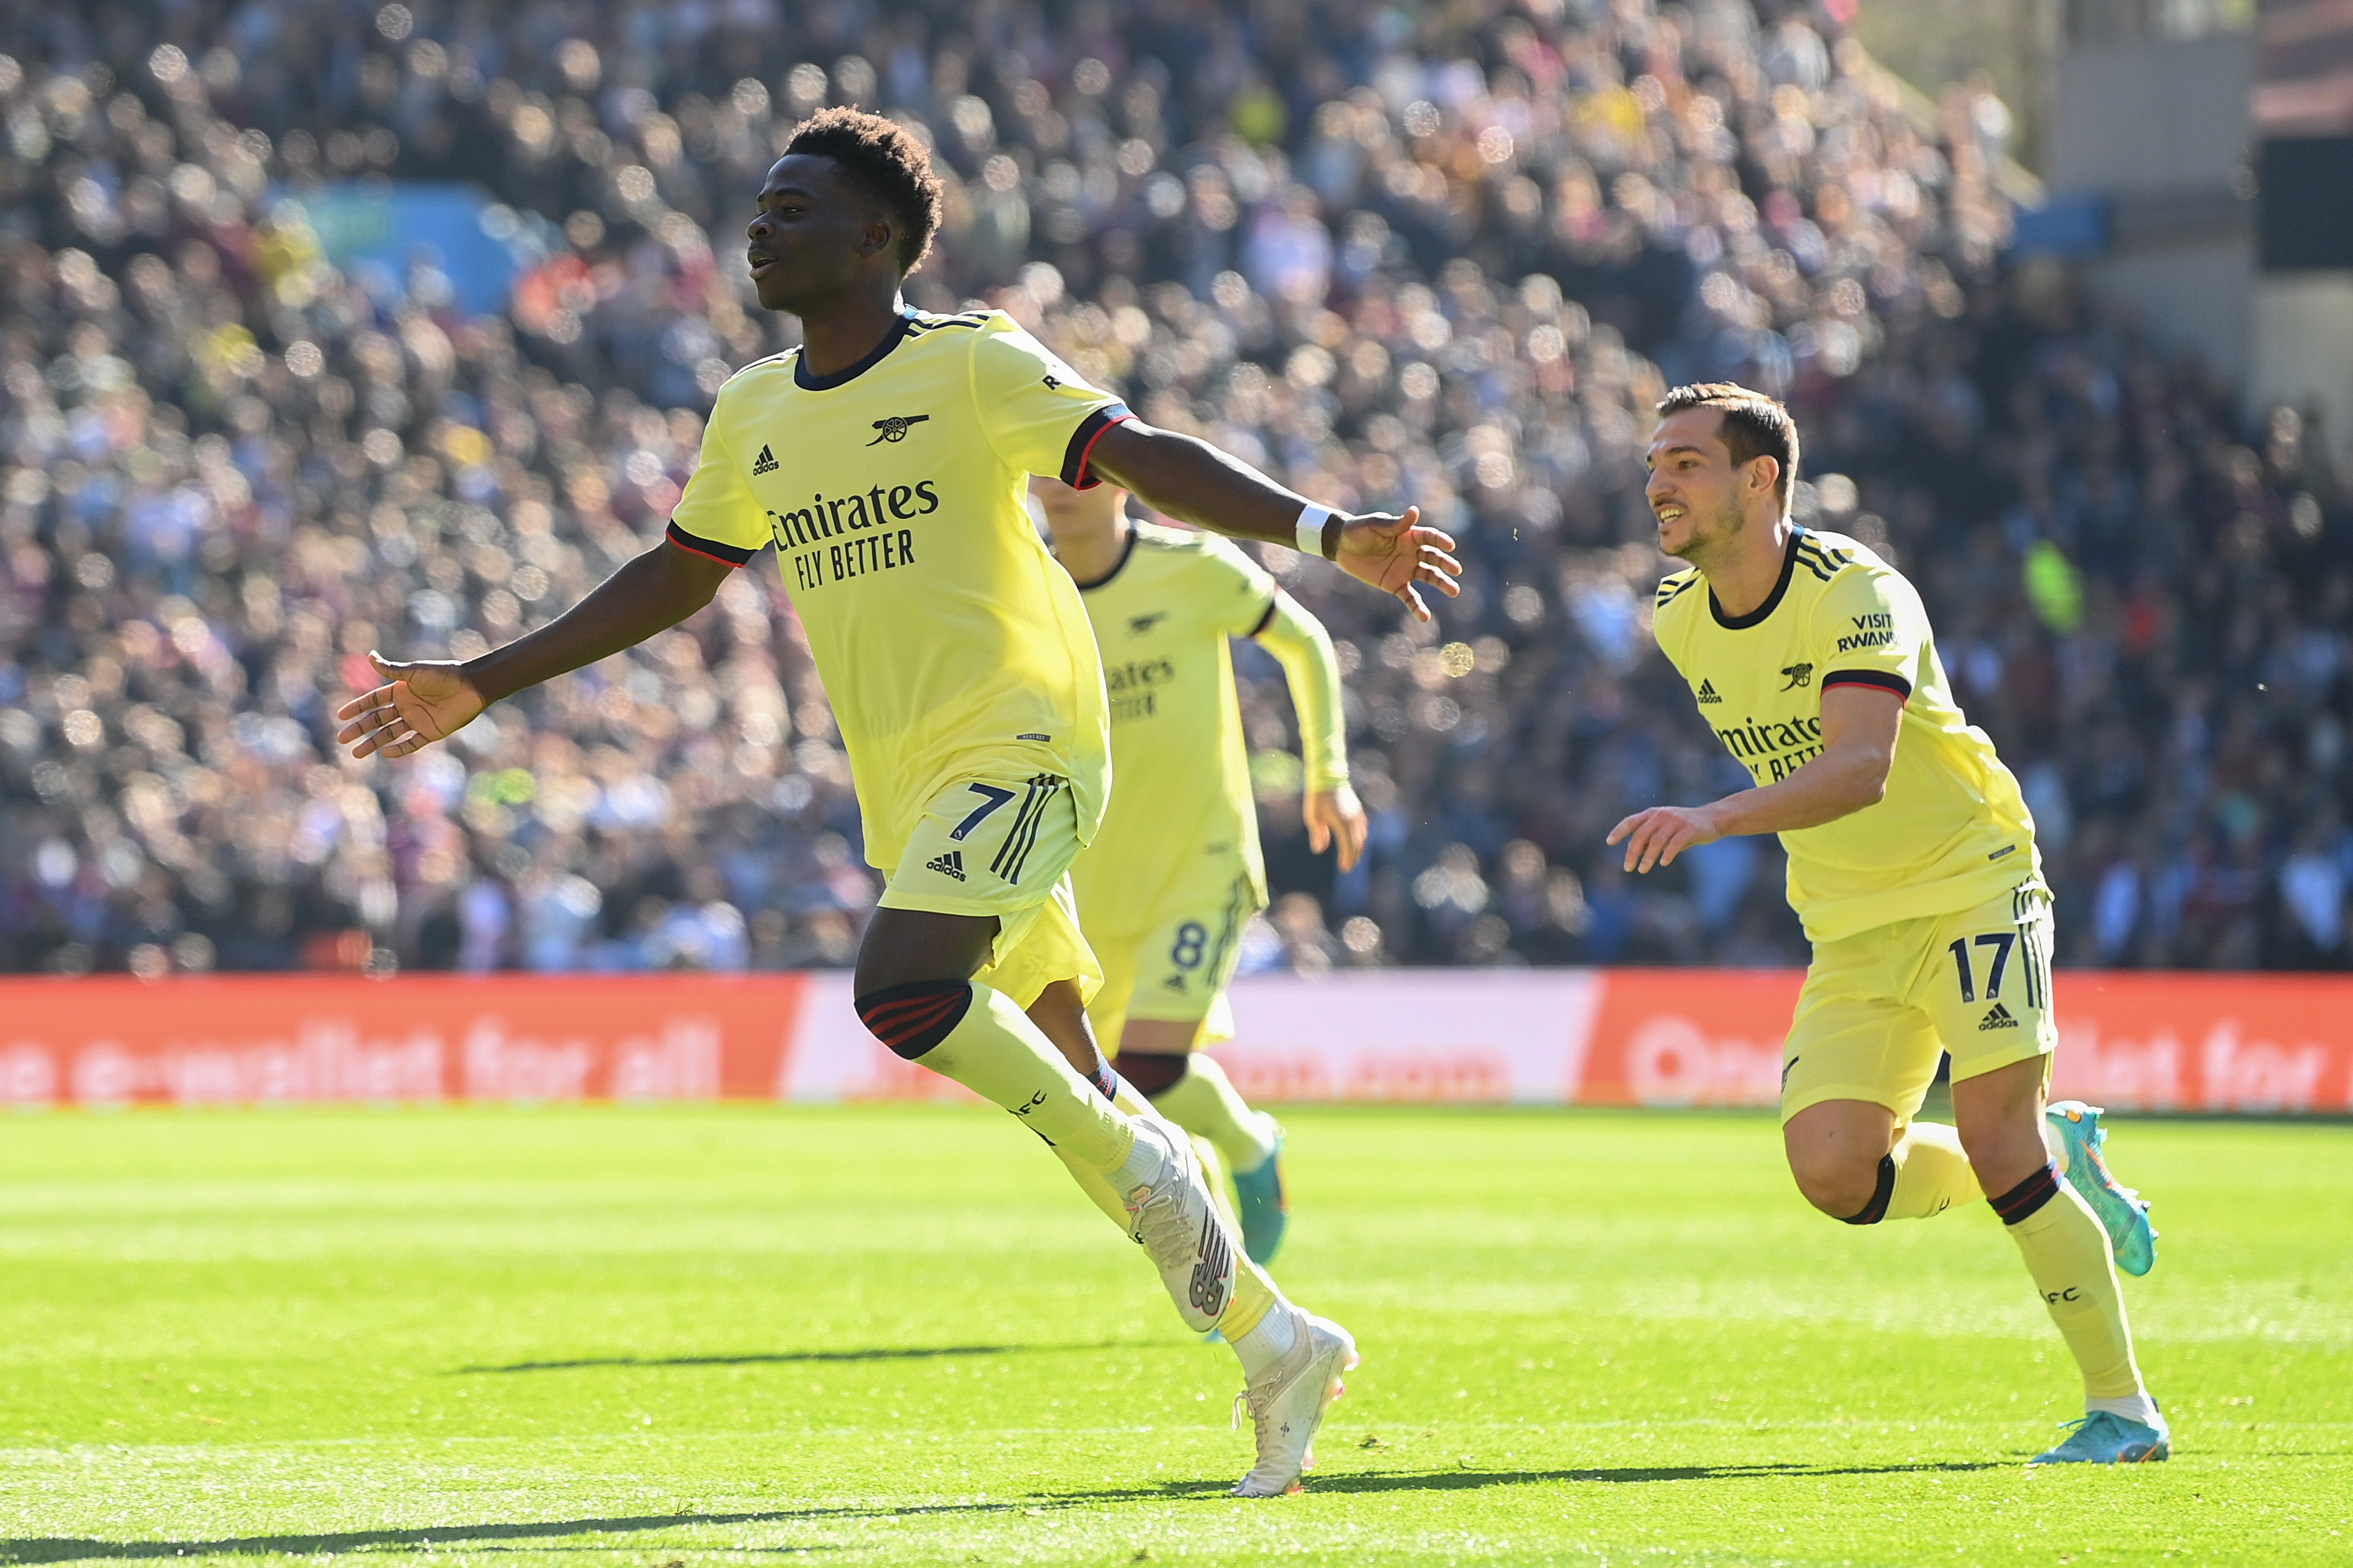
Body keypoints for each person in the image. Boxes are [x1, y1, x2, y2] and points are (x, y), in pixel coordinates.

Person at [333, 108, 1458, 1497]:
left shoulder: (972, 362)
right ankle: (1270, 1334)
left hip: (1031, 742)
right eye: (758, 206)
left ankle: (1181, 1190)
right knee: (1076, 1090)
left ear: (877, 237)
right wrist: (486, 681)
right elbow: (680, 575)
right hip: (913, 780)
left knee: (901, 991)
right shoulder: (752, 409)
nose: (759, 226)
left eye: (792, 209)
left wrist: (1322, 530)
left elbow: (1138, 451)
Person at [1608, 383, 2167, 1467]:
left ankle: (2124, 1410)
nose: (1656, 483)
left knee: (1998, 1136)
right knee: (1835, 1172)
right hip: (1850, 921)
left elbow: (1861, 767)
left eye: (1683, 462)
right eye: (1654, 463)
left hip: (1970, 881)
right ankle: (2058, 1156)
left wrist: (1713, 817)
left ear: (1758, 477)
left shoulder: (1859, 591)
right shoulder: (1677, 617)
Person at [1031, 475, 1366, 1265]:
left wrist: (1328, 771)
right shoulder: (1030, 591)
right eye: (1048, 470)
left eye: (1084, 470)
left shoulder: (1192, 566)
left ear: (1121, 483)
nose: (1065, 487)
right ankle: (1218, 1255)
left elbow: (1304, 640)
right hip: (1087, 883)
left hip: (1202, 864)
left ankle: (1249, 1142)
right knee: (1117, 1092)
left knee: (1149, 1062)